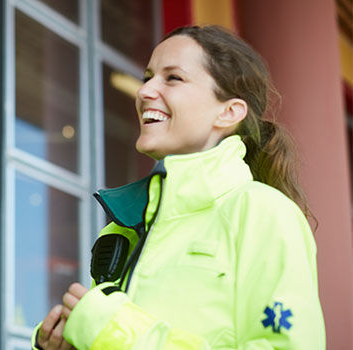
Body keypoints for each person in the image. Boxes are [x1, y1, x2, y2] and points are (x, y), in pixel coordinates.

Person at [33, 25, 325, 349]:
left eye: (173, 78)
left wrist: (117, 333)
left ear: (229, 112)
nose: (144, 92)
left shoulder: (264, 213)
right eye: (148, 77)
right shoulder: (122, 231)